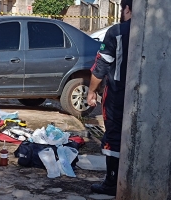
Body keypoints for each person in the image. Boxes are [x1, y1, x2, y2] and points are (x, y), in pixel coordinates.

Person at [87, 0, 132, 196]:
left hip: (118, 94)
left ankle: (112, 182)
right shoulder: (158, 31)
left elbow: (101, 66)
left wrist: (91, 91)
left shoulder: (117, 32)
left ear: (127, 9)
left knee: (114, 136)